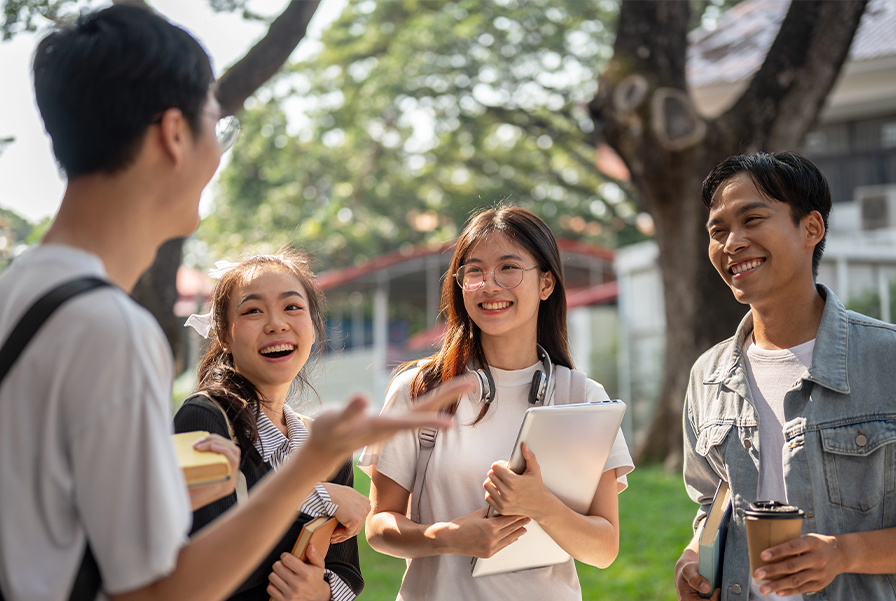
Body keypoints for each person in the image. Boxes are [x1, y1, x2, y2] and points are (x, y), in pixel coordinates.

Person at [0, 6, 471, 601]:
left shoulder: (18, 293)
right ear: (174, 134)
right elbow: (157, 595)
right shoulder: (110, 329)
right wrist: (313, 463)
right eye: (217, 126)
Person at [360, 206, 634, 601]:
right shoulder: (420, 392)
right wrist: (446, 536)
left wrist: (540, 505)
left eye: (508, 268)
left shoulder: (582, 398)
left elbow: (604, 549)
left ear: (546, 283)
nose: (489, 285)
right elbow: (378, 527)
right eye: (474, 272)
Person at [674, 151, 896, 601]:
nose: (731, 243)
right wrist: (693, 557)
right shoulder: (707, 376)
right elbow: (710, 504)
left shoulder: (886, 358)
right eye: (717, 231)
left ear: (811, 228)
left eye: (752, 219)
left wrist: (843, 553)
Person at [175, 252, 367, 601]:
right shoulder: (204, 418)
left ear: (313, 326)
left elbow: (348, 573)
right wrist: (317, 494)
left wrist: (321, 593)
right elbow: (208, 561)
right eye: (252, 311)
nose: (276, 324)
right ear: (224, 335)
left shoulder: (326, 446)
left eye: (292, 307)